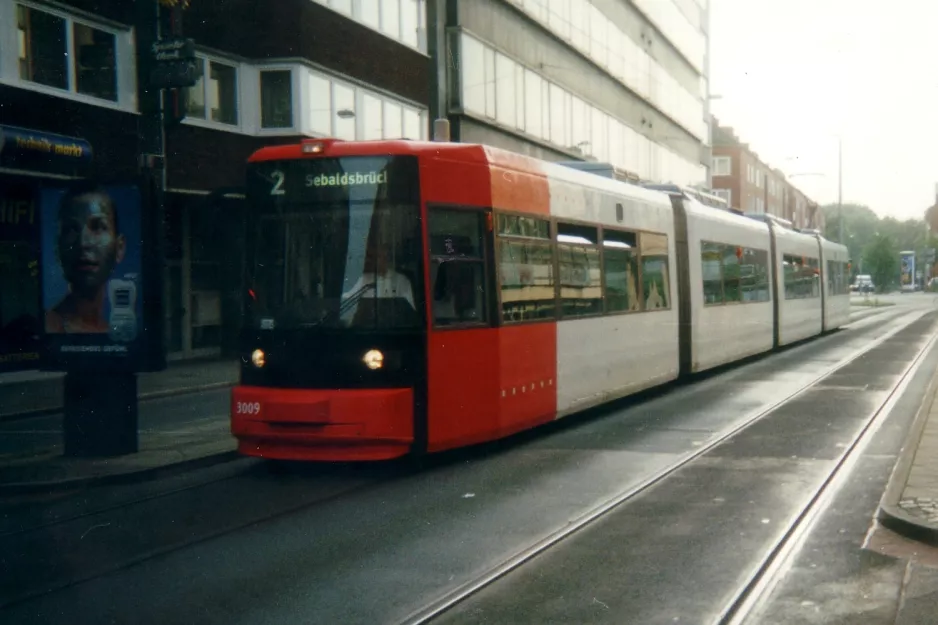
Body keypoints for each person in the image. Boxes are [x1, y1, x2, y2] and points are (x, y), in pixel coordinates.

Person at [45, 182, 126, 334]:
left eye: (98, 227)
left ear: (119, 247)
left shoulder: (111, 332)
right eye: (71, 229)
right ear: (58, 249)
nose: (83, 243)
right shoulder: (48, 327)